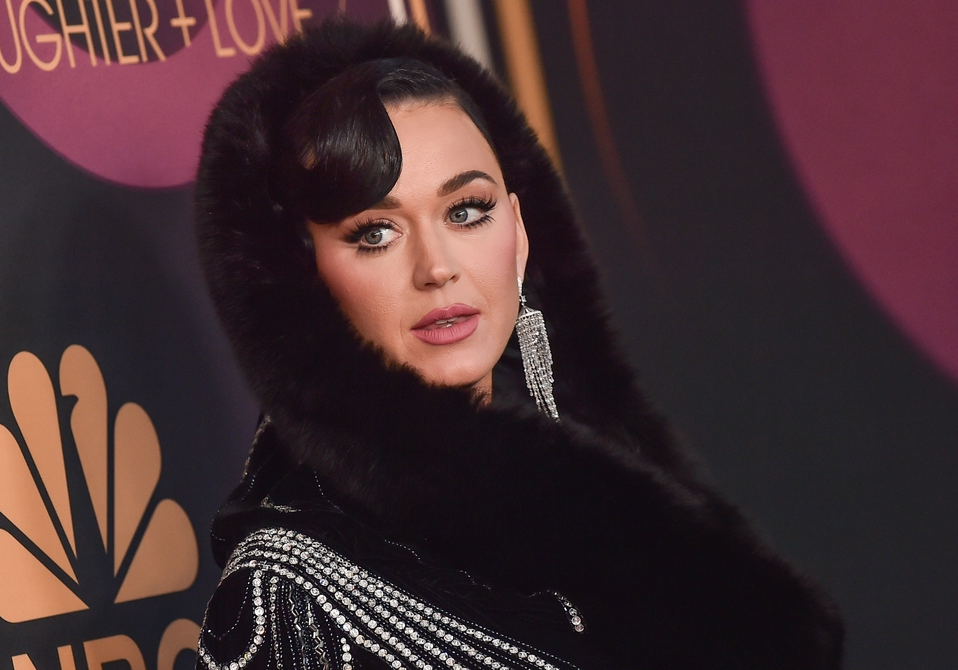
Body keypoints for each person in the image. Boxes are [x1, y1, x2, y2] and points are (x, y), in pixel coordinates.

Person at [194, 18, 842, 670]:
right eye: (375, 233)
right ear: (303, 275)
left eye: (466, 211)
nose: (437, 267)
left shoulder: (607, 505)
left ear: (521, 233)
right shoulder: (287, 592)